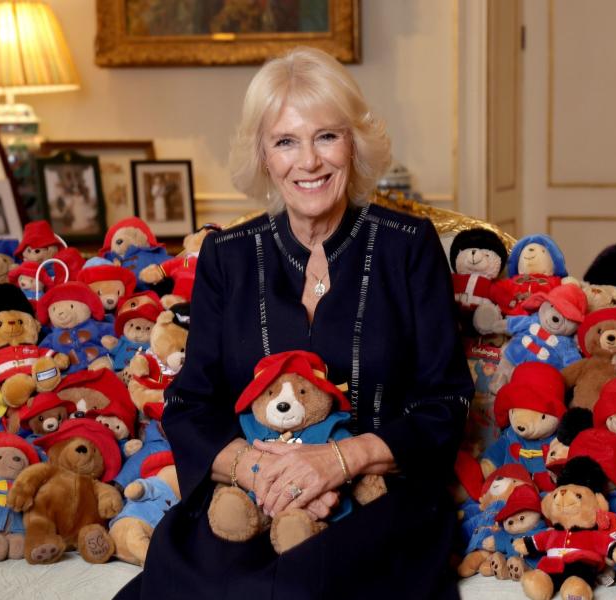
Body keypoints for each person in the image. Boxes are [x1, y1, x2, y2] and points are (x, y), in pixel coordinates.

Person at [115, 47, 474, 599]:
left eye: (326, 136)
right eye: (286, 141)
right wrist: (263, 475)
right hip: (251, 497)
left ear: (354, 143)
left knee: (307, 586)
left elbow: (445, 405)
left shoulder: (408, 249)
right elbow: (191, 407)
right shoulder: (228, 257)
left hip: (379, 501)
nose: (308, 162)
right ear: (263, 153)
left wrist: (337, 461)